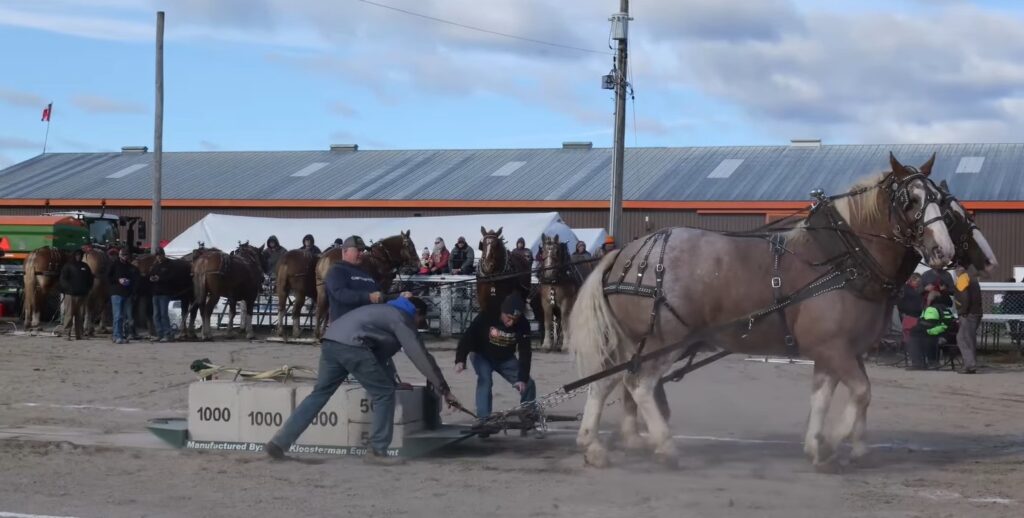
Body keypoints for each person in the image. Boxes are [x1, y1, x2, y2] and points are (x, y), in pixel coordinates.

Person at [266, 297, 460, 464]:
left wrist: (392, 381)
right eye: (420, 320)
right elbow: (419, 354)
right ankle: (377, 451)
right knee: (383, 394)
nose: (418, 325)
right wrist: (444, 389)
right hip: (353, 346)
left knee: (319, 394)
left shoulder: (381, 312)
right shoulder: (402, 318)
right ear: (416, 312)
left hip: (331, 341)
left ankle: (279, 443)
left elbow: (379, 356)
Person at [454, 293, 536, 420]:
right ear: (502, 312)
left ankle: (528, 416)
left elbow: (525, 352)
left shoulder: (523, 324)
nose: (510, 323)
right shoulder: (487, 315)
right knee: (485, 381)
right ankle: (484, 419)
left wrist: (522, 378)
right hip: (482, 355)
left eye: (515, 320)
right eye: (508, 318)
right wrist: (460, 359)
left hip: (506, 358)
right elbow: (468, 337)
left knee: (529, 384)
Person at [325, 235, 382, 323]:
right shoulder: (336, 270)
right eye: (358, 250)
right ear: (345, 251)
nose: (362, 253)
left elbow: (380, 295)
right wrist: (368, 297)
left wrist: (398, 297)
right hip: (345, 328)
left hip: (369, 327)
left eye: (363, 250)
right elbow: (340, 293)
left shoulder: (366, 273)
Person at [58, 249, 94, 341]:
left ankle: (80, 334)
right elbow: (63, 279)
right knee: (69, 315)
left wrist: (88, 289)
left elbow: (90, 279)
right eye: (77, 255)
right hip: (70, 295)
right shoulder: (68, 266)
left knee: (80, 315)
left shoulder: (85, 266)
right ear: (74, 255)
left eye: (80, 255)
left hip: (82, 295)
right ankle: (67, 334)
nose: (79, 256)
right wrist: (69, 289)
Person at [907, 303, 954, 370]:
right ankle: (917, 363)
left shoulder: (943, 311)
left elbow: (945, 327)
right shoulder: (926, 309)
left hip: (943, 335)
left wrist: (928, 331)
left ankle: (932, 362)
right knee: (914, 337)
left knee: (929, 339)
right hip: (928, 333)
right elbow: (921, 323)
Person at [107, 248, 140, 344]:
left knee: (123, 316)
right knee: (118, 315)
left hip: (126, 293)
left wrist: (130, 283)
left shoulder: (130, 267)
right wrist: (118, 280)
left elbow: (134, 279)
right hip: (116, 293)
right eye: (124, 255)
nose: (125, 257)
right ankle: (117, 335)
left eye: (127, 255)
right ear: (120, 255)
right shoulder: (114, 265)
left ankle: (119, 335)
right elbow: (108, 277)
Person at [954, 267, 982, 374]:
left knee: (962, 338)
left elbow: (964, 295)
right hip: (976, 312)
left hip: (968, 313)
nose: (956, 272)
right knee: (970, 339)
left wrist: (962, 310)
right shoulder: (973, 278)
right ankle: (971, 364)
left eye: (956, 269)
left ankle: (970, 365)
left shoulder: (963, 278)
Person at [148, 247, 175, 342]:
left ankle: (167, 334)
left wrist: (160, 278)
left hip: (164, 293)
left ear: (163, 255)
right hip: (155, 293)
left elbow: (172, 278)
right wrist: (151, 278)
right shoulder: (155, 265)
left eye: (160, 255)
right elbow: (150, 274)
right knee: (156, 315)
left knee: (163, 314)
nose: (158, 257)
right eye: (157, 255)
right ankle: (159, 334)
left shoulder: (169, 265)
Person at [897, 273, 924, 345]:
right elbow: (900, 301)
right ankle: (907, 350)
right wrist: (902, 312)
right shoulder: (905, 288)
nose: (918, 284)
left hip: (915, 315)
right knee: (908, 334)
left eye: (919, 282)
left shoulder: (915, 290)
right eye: (917, 282)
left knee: (913, 334)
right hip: (908, 315)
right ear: (911, 280)